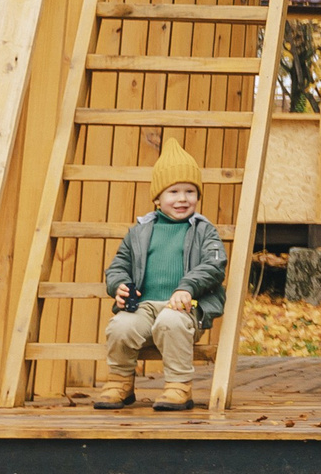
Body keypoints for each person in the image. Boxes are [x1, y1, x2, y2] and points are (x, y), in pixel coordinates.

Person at [93, 142, 228, 412]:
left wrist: (188, 288)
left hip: (190, 306)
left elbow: (214, 265)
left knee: (171, 321)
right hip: (144, 305)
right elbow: (119, 265)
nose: (182, 199)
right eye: (173, 192)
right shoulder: (140, 232)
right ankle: (120, 382)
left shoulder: (204, 231)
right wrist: (118, 285)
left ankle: (178, 386)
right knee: (120, 326)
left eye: (190, 191)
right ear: (157, 198)